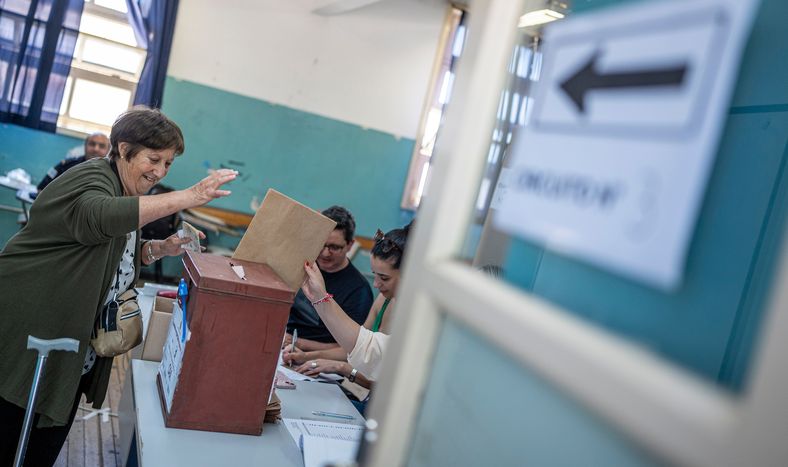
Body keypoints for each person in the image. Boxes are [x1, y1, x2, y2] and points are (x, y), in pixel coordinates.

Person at [0, 107, 237, 466]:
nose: (160, 172)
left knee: (43, 439)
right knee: (16, 432)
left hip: (65, 339)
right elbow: (98, 219)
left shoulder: (119, 187)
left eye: (168, 164)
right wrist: (190, 196)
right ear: (124, 149)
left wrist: (158, 249)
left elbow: (109, 251)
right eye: (154, 159)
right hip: (32, 330)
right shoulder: (92, 179)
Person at [283, 223, 411, 383]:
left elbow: (384, 377)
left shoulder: (414, 319)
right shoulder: (383, 299)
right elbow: (354, 346)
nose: (376, 284)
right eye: (374, 275)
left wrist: (341, 368)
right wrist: (306, 356)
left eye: (384, 278)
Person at [283, 206, 373, 352]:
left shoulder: (359, 291)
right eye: (321, 244)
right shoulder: (302, 266)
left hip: (319, 361)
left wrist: (297, 343)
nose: (325, 253)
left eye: (334, 247)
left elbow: (348, 348)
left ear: (350, 245)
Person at [37, 132, 110, 191]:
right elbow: (41, 188)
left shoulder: (111, 173)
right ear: (85, 146)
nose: (96, 149)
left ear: (108, 150)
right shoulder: (67, 165)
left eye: (102, 146)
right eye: (92, 144)